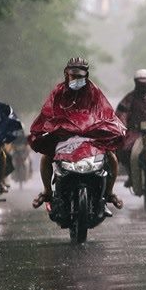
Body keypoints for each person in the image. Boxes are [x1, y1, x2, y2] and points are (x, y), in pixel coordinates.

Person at [28, 57, 126, 210]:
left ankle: (109, 192)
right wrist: (49, 127)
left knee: (112, 156)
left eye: (80, 76)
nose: (76, 79)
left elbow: (105, 113)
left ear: (86, 76)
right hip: (64, 135)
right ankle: (48, 191)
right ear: (66, 74)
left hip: (91, 135)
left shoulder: (94, 92)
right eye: (73, 75)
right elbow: (47, 113)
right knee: (46, 158)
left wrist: (102, 126)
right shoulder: (58, 92)